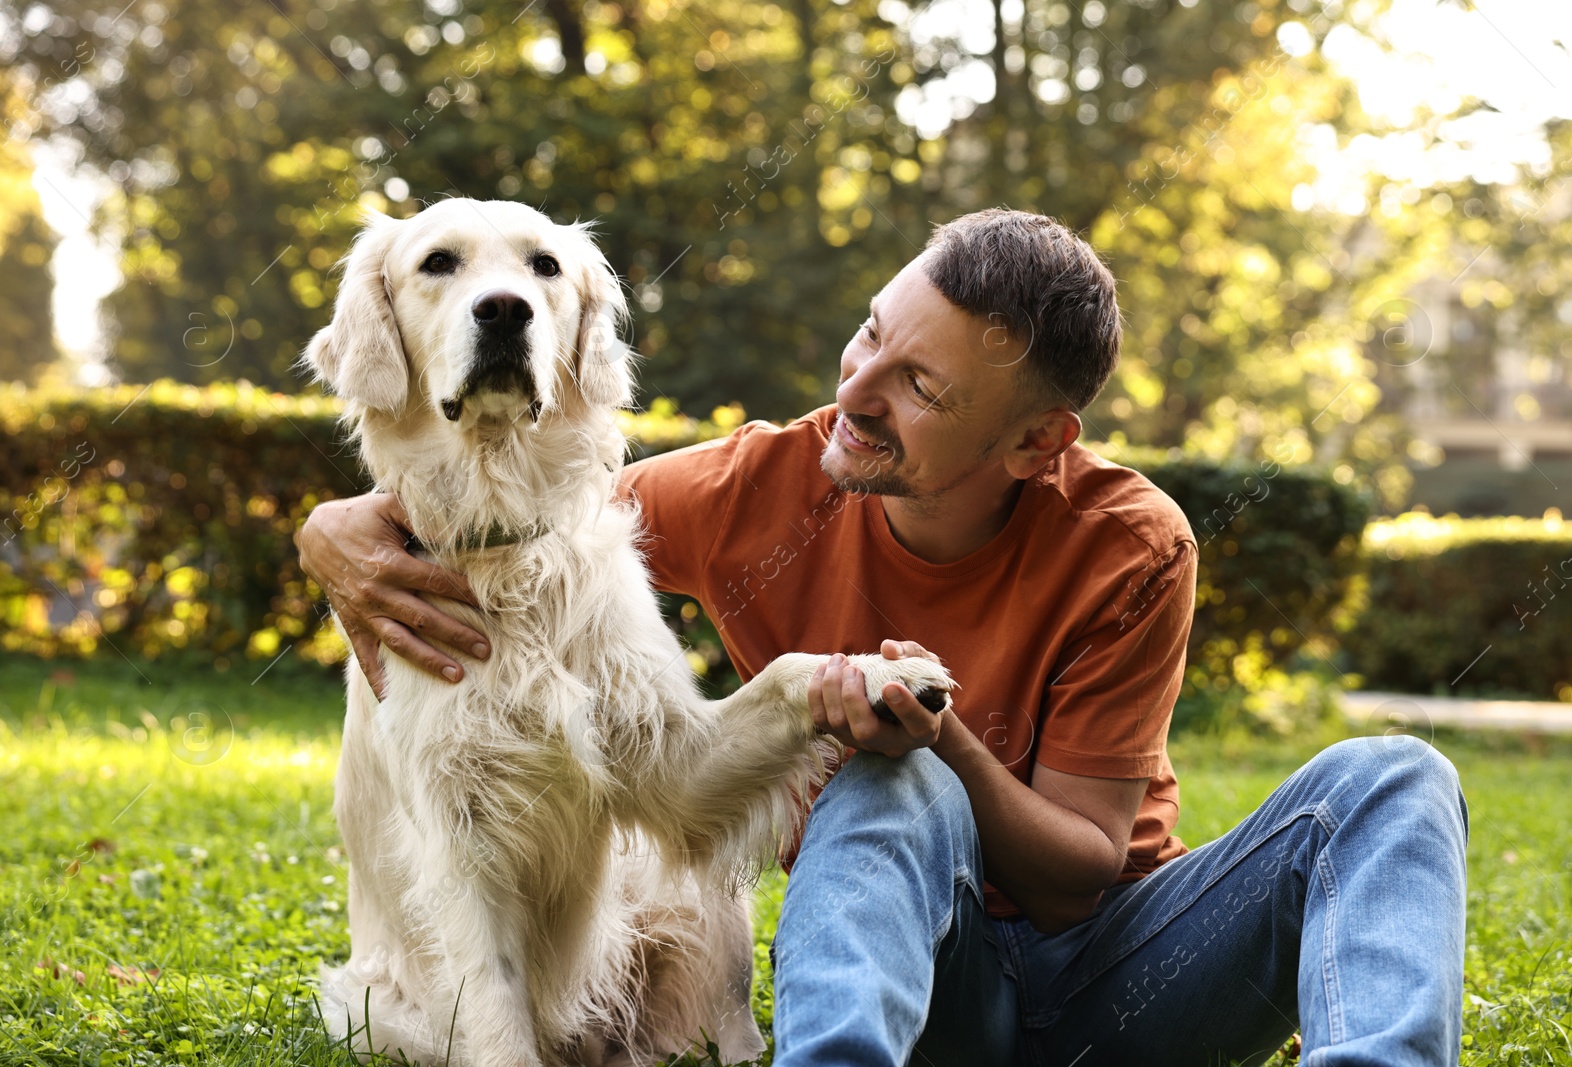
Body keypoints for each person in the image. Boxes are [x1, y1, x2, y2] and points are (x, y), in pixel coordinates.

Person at [296, 208, 1468, 1067]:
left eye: (920, 387)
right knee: (878, 778)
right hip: (917, 996)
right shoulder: (762, 480)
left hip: (1124, 989)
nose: (856, 392)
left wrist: (942, 739)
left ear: (1032, 442)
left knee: (1394, 777)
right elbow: (530, 517)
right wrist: (332, 530)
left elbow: (1073, 881)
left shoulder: (1132, 543)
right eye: (869, 337)